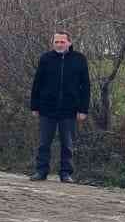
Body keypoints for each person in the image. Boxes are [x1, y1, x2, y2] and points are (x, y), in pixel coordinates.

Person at [28, 30, 90, 182]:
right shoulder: (45, 58)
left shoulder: (79, 59)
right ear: (53, 43)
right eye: (56, 42)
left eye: (62, 42)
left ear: (69, 42)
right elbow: (37, 83)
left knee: (67, 144)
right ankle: (41, 171)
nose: (59, 44)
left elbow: (85, 86)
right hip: (47, 108)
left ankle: (66, 173)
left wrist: (83, 109)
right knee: (44, 143)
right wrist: (34, 106)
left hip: (70, 109)